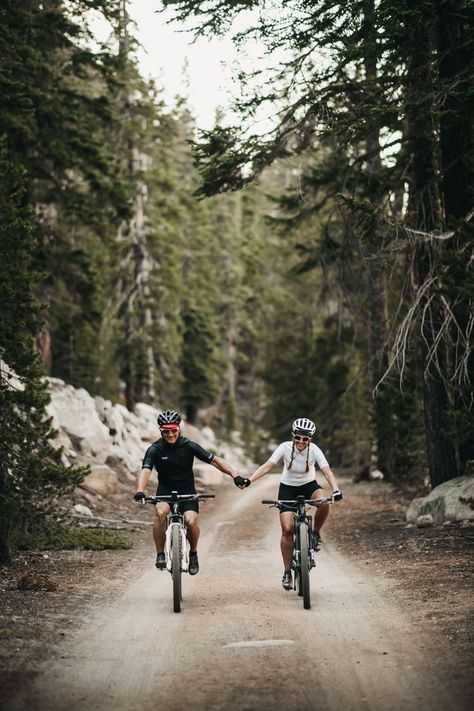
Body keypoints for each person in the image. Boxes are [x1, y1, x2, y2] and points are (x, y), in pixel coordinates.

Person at [133, 409, 248, 575]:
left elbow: (214, 461)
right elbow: (146, 469)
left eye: (173, 430)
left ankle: (193, 553)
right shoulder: (155, 449)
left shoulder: (189, 446)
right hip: (164, 491)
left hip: (187, 491)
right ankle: (160, 554)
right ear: (161, 430)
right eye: (166, 431)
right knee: (160, 513)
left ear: (179, 428)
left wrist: (235, 475)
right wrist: (140, 490)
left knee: (191, 521)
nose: (170, 434)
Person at [247, 417, 342, 590]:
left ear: (310, 439)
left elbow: (326, 470)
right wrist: (250, 480)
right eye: (297, 437)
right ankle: (286, 571)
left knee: (324, 502)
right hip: (287, 488)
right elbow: (268, 465)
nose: (301, 442)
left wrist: (335, 488)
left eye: (305, 439)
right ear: (293, 435)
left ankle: (315, 534)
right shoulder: (284, 447)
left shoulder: (314, 450)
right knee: (287, 529)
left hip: (309, 486)